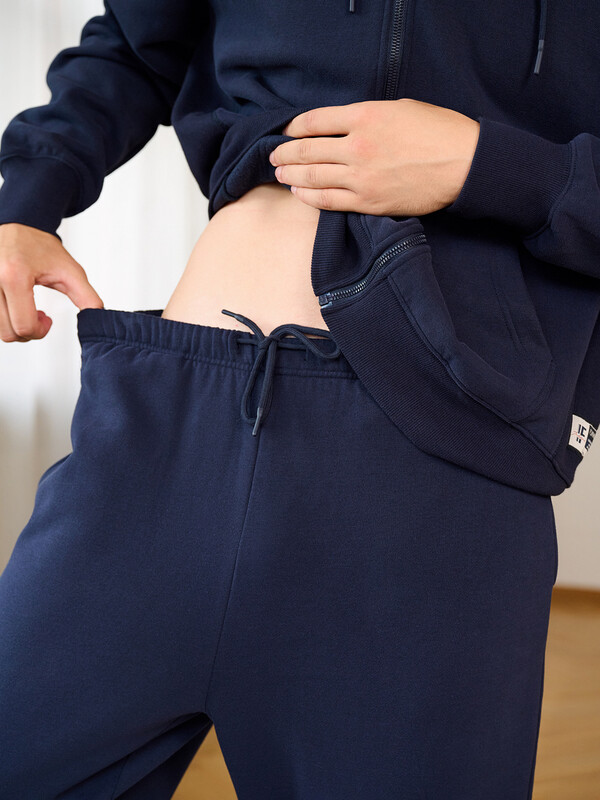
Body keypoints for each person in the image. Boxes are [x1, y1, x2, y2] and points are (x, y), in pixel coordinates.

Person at [1, 0, 598, 797]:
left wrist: (485, 166)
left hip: (442, 473)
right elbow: (137, 43)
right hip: (171, 420)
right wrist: (26, 196)